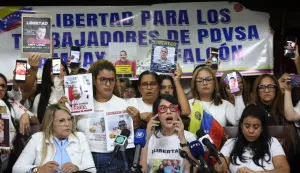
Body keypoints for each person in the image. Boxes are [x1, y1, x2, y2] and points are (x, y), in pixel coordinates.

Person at [76, 60, 137, 172]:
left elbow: (130, 133)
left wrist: (136, 119)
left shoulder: (123, 105)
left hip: (115, 158)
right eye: (103, 79)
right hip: (84, 157)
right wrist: (65, 105)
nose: (108, 84)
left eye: (111, 80)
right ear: (94, 80)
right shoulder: (81, 103)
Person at [12, 104, 96, 173]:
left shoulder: (80, 137)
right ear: (50, 123)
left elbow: (92, 170)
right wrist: (38, 169)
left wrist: (77, 168)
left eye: (69, 119)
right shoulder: (37, 138)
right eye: (61, 120)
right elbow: (16, 169)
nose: (67, 124)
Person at [215, 104, 290, 173]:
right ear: (241, 126)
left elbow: (284, 169)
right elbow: (221, 162)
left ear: (262, 128)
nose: (251, 131)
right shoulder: (230, 143)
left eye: (256, 127)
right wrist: (221, 166)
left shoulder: (272, 142)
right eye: (247, 126)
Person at [139, 94, 197, 173]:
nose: (168, 111)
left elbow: (193, 170)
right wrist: (147, 138)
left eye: (173, 108)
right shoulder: (150, 137)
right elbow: (142, 170)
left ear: (178, 113)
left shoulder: (189, 136)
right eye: (163, 108)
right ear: (157, 115)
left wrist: (183, 140)